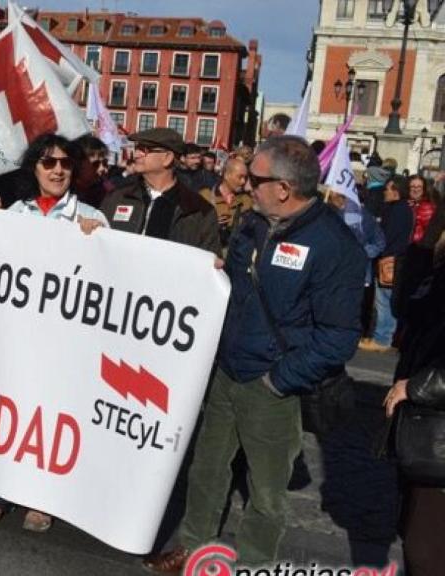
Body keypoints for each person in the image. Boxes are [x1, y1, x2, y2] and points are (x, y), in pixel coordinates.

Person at [144, 136, 366, 571]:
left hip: (274, 385)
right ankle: (193, 548)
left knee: (266, 491)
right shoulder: (253, 223)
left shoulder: (335, 246)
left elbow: (339, 337)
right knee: (207, 470)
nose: (246, 185)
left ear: (283, 188)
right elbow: (237, 286)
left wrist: (279, 379)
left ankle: (254, 563)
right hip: (228, 371)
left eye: (255, 178)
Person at [0, 133, 107, 533]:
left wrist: (98, 242)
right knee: (11, 412)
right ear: (35, 168)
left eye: (65, 163)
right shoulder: (15, 214)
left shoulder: (91, 218)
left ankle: (41, 497)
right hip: (17, 337)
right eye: (48, 163)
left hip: (63, 343)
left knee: (50, 416)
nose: (58, 170)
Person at [383, 208, 444, 576]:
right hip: (423, 426)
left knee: (426, 550)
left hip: (432, 416)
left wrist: (418, 386)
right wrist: (424, 251)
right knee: (415, 537)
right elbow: (404, 306)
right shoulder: (433, 263)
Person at [99, 127, 221, 256]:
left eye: (145, 150)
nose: (136, 154)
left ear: (167, 158)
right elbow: (99, 240)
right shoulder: (118, 197)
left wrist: (213, 265)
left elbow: (210, 259)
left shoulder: (198, 211)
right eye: (137, 148)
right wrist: (91, 227)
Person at [360, 176, 413, 353]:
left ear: (396, 191)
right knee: (385, 300)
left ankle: (382, 339)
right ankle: (382, 336)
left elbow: (387, 237)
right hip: (393, 258)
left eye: (388, 189)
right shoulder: (400, 209)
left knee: (384, 301)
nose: (385, 192)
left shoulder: (398, 210)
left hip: (390, 260)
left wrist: (379, 251)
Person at [201, 156, 251, 250]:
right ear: (226, 175)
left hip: (234, 255)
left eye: (245, 178)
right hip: (209, 251)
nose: (243, 182)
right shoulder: (205, 196)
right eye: (240, 177)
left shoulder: (247, 201)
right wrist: (212, 223)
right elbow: (192, 228)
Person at [71, 134, 111, 207]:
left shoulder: (107, 193)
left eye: (105, 163)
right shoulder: (62, 193)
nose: (102, 169)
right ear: (78, 164)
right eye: (96, 164)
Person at [408, 175, 437, 244]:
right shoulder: (405, 203)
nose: (416, 189)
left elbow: (430, 232)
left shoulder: (427, 207)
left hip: (416, 247)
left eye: (419, 187)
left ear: (424, 189)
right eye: (412, 186)